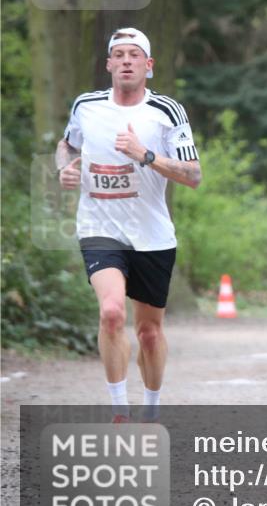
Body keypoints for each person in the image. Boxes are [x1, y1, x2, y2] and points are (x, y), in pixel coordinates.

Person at [56, 27, 202, 423]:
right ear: (108, 64)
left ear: (148, 65)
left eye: (133, 55)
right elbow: (67, 145)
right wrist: (64, 169)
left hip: (152, 236)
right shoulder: (86, 106)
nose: (125, 61)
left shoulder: (167, 111)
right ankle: (119, 409)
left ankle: (151, 409)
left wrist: (145, 155)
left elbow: (193, 175)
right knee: (111, 312)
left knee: (149, 333)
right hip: (99, 229)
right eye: (118, 55)